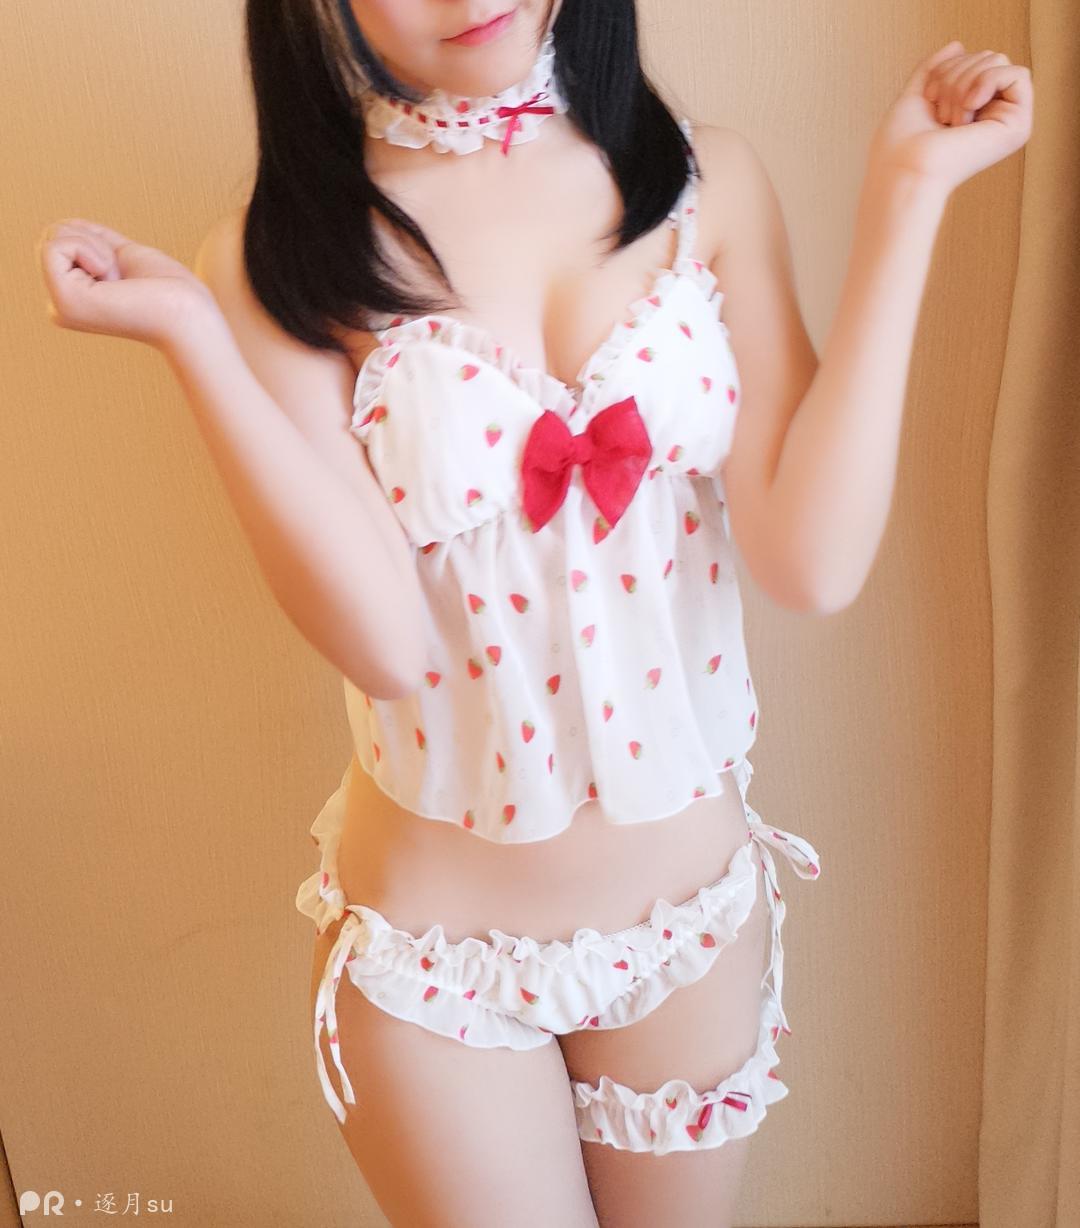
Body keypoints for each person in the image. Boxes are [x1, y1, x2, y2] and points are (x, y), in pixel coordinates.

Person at [36, 1, 1032, 1223]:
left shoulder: (704, 183)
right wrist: (196, 340)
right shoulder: (283, 253)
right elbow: (385, 645)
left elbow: (811, 563)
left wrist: (909, 196)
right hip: (439, 958)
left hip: (687, 924)